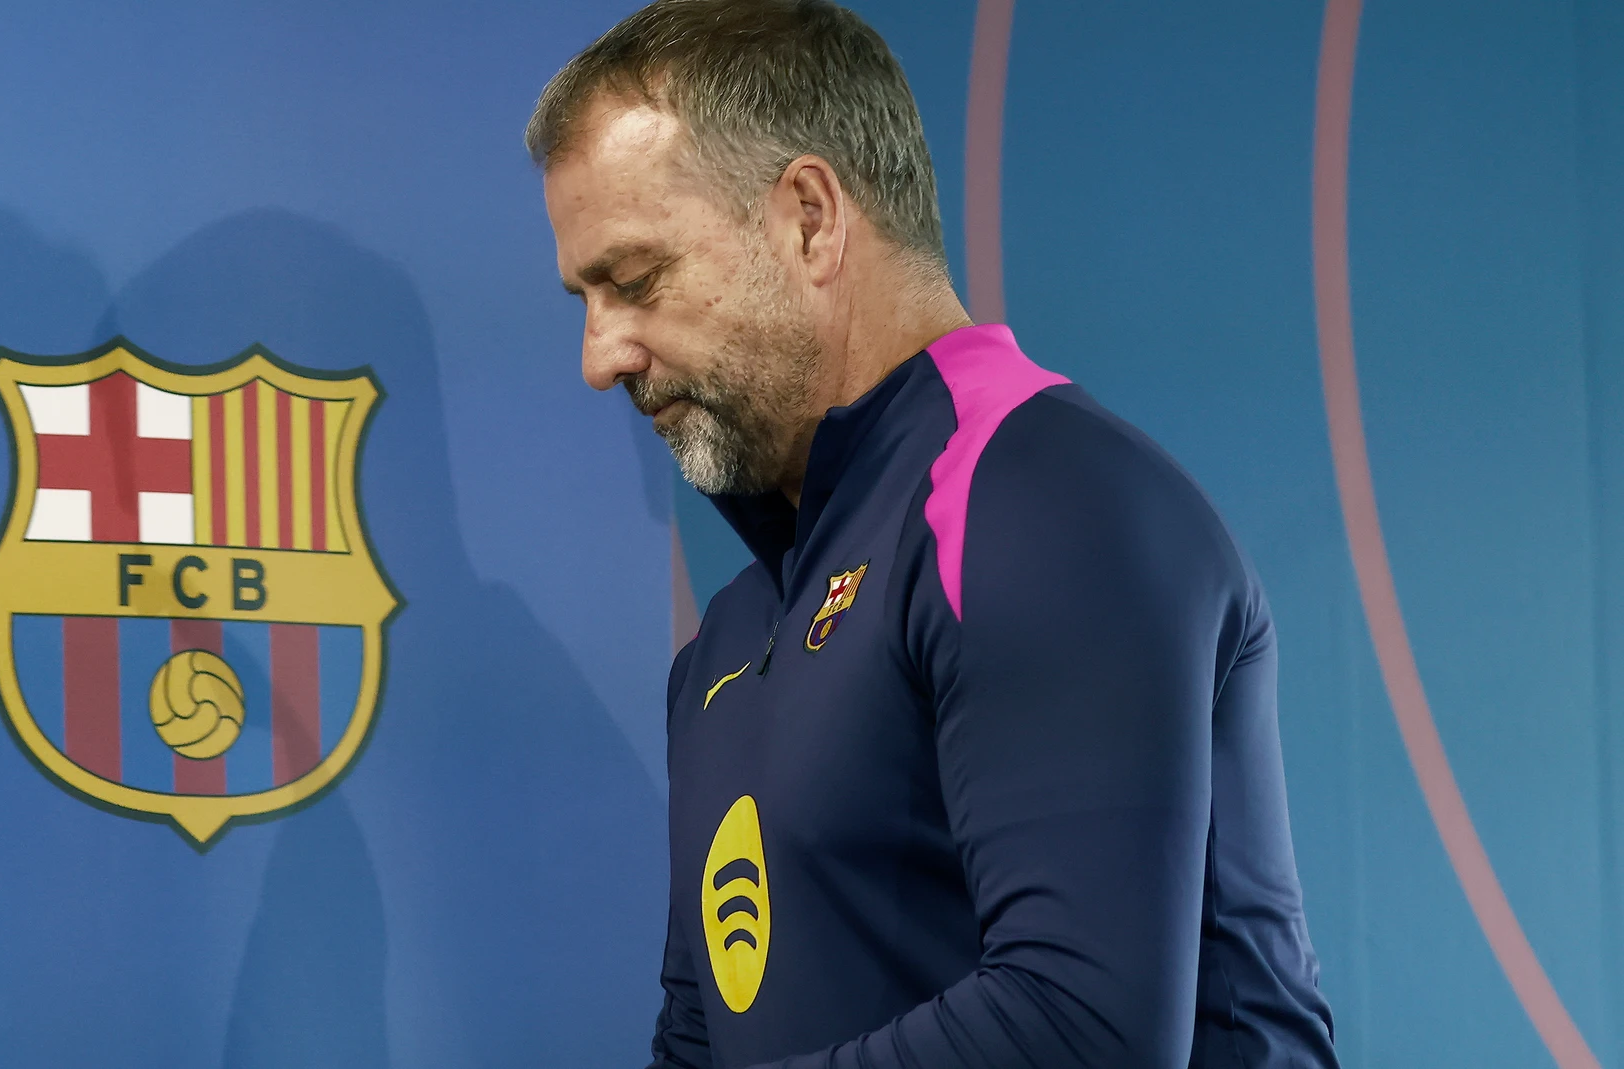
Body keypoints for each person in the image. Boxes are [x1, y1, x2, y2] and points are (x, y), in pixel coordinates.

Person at [526, 2, 1340, 1066]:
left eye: (633, 281)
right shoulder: (724, 647)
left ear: (811, 218)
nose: (601, 355)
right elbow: (695, 1044)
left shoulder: (1039, 495)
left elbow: (1080, 1030)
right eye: (583, 298)